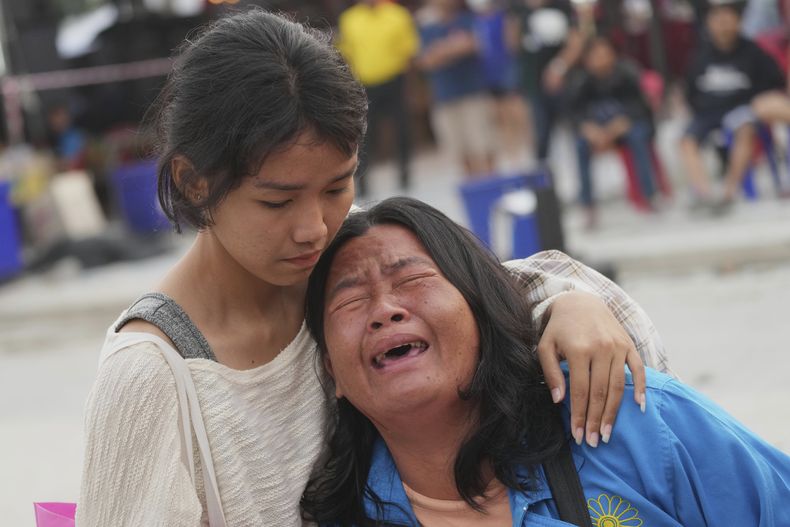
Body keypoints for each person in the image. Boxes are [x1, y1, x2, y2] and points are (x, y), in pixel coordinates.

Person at [78, 9, 664, 526]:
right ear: (193, 182)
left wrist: (568, 304)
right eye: (277, 202)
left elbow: (495, 290)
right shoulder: (152, 378)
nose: (313, 227)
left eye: (337, 186)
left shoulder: (351, 252)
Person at [302, 196, 790, 526]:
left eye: (412, 279)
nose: (385, 309)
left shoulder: (626, 420)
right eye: (350, 300)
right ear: (330, 371)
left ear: (481, 309)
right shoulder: (337, 514)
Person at [681, 0, 786, 213]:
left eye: (727, 19)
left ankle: (729, 192)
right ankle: (703, 194)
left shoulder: (753, 51)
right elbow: (690, 91)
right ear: (708, 24)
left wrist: (756, 101)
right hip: (708, 112)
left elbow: (775, 82)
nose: (723, 25)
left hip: (741, 109)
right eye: (717, 20)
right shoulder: (700, 56)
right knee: (687, 141)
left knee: (744, 130)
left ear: (738, 22)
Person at [569, 36, 658, 227]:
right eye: (596, 56)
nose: (601, 59)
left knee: (638, 136)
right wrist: (589, 129)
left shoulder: (627, 73)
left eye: (604, 54)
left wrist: (618, 126)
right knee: (580, 146)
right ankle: (587, 205)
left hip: (625, 127)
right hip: (597, 133)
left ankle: (649, 196)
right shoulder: (581, 81)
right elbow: (574, 114)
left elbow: (640, 108)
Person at [336, 0, 418, 195]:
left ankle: (404, 172)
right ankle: (362, 179)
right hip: (366, 84)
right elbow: (346, 54)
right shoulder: (349, 19)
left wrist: (411, 85)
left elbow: (409, 52)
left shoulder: (397, 14)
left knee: (402, 127)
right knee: (365, 133)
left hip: (394, 79)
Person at [416, 0, 498, 178]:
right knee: (459, 150)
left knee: (483, 145)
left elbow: (474, 44)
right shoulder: (427, 26)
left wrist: (441, 50)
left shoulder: (467, 18)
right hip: (444, 97)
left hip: (473, 92)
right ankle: (473, 188)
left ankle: (491, 184)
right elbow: (425, 61)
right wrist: (452, 47)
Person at [508, 0, 584, 164]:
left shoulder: (562, 5)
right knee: (541, 137)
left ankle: (581, 176)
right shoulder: (517, 9)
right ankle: (544, 177)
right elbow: (513, 45)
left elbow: (576, 42)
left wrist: (558, 68)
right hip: (533, 83)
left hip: (564, 81)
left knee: (576, 132)